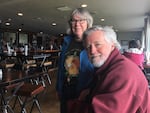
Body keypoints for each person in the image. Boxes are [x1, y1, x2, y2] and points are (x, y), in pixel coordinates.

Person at [80, 25, 150, 113]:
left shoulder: (123, 72)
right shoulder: (108, 67)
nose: (92, 51)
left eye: (97, 45)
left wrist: (76, 104)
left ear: (112, 45)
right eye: (88, 47)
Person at [56, 8, 94, 113]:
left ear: (88, 23)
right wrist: (58, 88)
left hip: (84, 93)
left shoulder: (93, 42)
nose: (77, 24)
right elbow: (61, 67)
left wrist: (90, 89)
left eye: (81, 20)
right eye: (74, 20)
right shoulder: (66, 41)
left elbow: (100, 70)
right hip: (66, 91)